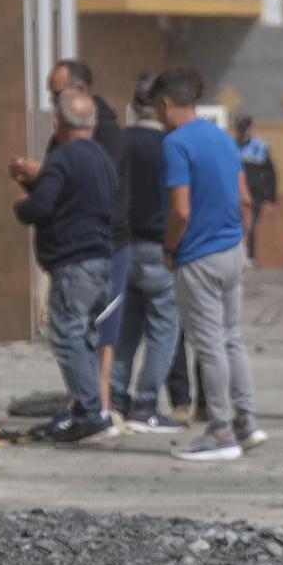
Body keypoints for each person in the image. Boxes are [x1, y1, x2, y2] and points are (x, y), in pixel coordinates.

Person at [12, 59, 131, 425]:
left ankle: (87, 409)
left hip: (73, 262)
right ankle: (91, 407)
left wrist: (23, 203)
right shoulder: (101, 157)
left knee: (67, 335)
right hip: (100, 258)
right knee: (86, 337)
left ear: (61, 123)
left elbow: (43, 205)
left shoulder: (62, 158)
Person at [156, 66, 265, 462]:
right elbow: (245, 199)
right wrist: (242, 243)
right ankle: (246, 421)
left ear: (166, 104)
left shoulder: (176, 144)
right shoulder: (222, 138)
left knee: (208, 345)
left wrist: (169, 248)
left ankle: (219, 431)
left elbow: (180, 210)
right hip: (231, 251)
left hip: (197, 256)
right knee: (231, 338)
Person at [110, 80, 186, 434]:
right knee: (164, 330)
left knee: (126, 330)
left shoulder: (120, 143)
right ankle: (145, 403)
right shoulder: (171, 146)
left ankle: (116, 398)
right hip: (159, 247)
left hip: (125, 247)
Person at [235, 114, 276, 264]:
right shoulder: (230, 145)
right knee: (236, 226)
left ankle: (249, 256)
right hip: (235, 194)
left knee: (251, 225)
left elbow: (270, 174)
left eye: (245, 128)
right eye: (240, 129)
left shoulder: (260, 147)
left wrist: (270, 199)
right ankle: (237, 256)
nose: (242, 132)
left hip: (255, 194)